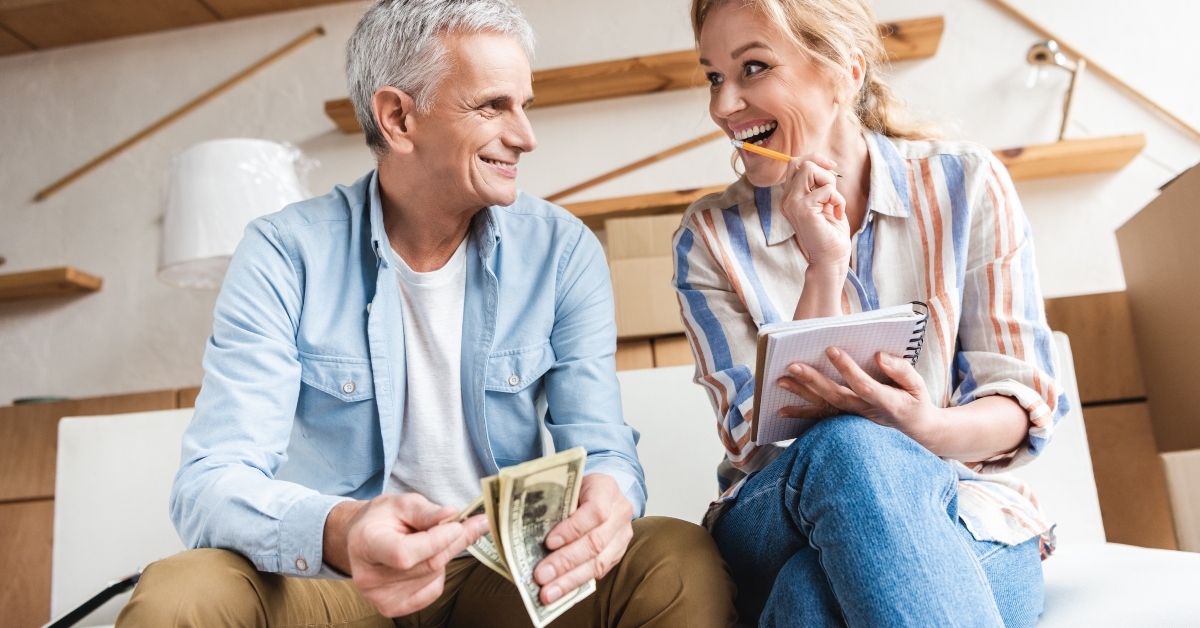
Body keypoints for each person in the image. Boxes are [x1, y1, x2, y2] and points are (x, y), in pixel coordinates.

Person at [117, 1, 736, 626]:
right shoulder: (284, 252)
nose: (525, 136)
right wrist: (344, 529)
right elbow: (210, 483)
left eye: (524, 105)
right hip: (340, 575)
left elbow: (602, 447)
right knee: (180, 594)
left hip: (503, 571)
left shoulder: (563, 250)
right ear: (398, 117)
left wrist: (612, 498)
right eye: (493, 106)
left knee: (675, 557)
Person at [673, 0, 1068, 626]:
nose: (722, 106)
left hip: (962, 506)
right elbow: (758, 438)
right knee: (853, 446)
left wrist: (923, 427)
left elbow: (1021, 405)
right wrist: (823, 267)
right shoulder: (709, 238)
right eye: (714, 76)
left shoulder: (966, 184)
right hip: (778, 513)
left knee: (810, 598)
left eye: (752, 68)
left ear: (844, 72)